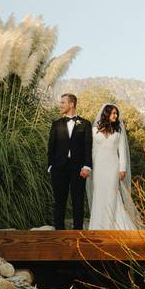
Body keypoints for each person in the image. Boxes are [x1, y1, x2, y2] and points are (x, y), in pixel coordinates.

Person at [86, 103, 145, 229]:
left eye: (116, 113)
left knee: (113, 193)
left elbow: (122, 152)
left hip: (113, 167)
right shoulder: (94, 131)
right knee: (99, 194)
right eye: (113, 113)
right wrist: (89, 167)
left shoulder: (118, 132)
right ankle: (98, 225)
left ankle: (113, 224)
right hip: (98, 167)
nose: (116, 115)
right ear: (106, 114)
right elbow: (90, 150)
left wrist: (122, 169)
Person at [47, 93, 93, 230]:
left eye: (63, 102)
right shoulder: (56, 124)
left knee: (78, 201)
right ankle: (59, 233)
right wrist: (51, 165)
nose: (60, 105)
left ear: (71, 104)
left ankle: (78, 232)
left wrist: (87, 166)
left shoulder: (85, 124)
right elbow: (51, 146)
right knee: (59, 201)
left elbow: (88, 146)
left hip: (78, 169)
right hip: (59, 169)